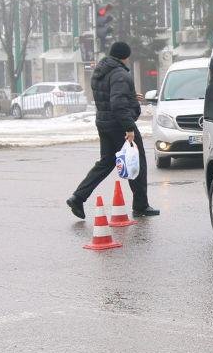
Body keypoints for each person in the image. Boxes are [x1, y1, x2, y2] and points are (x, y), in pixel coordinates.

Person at [67, 40, 159, 219]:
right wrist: (129, 128)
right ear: (125, 57)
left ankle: (78, 197)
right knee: (137, 162)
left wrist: (131, 97)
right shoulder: (120, 74)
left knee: (106, 162)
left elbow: (108, 97)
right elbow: (117, 104)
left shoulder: (101, 71)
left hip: (104, 123)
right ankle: (141, 206)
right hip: (119, 125)